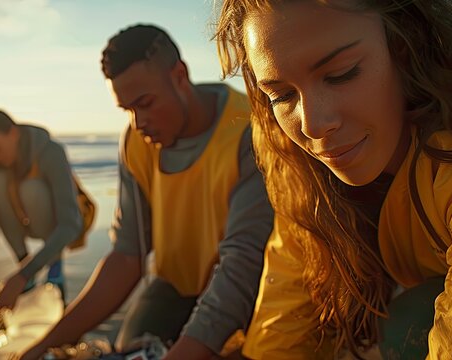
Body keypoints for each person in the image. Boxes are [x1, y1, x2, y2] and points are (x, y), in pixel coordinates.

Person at [215, 0, 452, 359]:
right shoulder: (305, 179)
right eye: (282, 95)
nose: (313, 124)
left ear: (405, 47)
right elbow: (282, 321)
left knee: (411, 322)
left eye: (341, 73)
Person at [18, 24, 274, 359]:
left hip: (252, 291)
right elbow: (127, 256)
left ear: (180, 75)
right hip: (174, 289)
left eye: (146, 103)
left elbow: (243, 264)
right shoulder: (137, 142)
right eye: (128, 110)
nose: (138, 122)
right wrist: (40, 346)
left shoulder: (250, 130)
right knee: (129, 349)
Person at [0, 109, 86, 309]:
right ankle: (23, 261)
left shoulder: (51, 152)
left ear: (13, 134)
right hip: (22, 223)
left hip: (62, 224)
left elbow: (70, 224)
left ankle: (54, 267)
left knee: (31, 188)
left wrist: (23, 275)